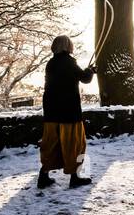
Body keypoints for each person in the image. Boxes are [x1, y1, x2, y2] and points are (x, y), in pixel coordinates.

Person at [38, 35, 95, 190]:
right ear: (68, 46)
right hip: (69, 111)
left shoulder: (51, 63)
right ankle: (74, 177)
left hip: (51, 111)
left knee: (50, 144)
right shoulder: (70, 62)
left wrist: (87, 72)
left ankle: (43, 176)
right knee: (74, 145)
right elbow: (84, 78)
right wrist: (90, 72)